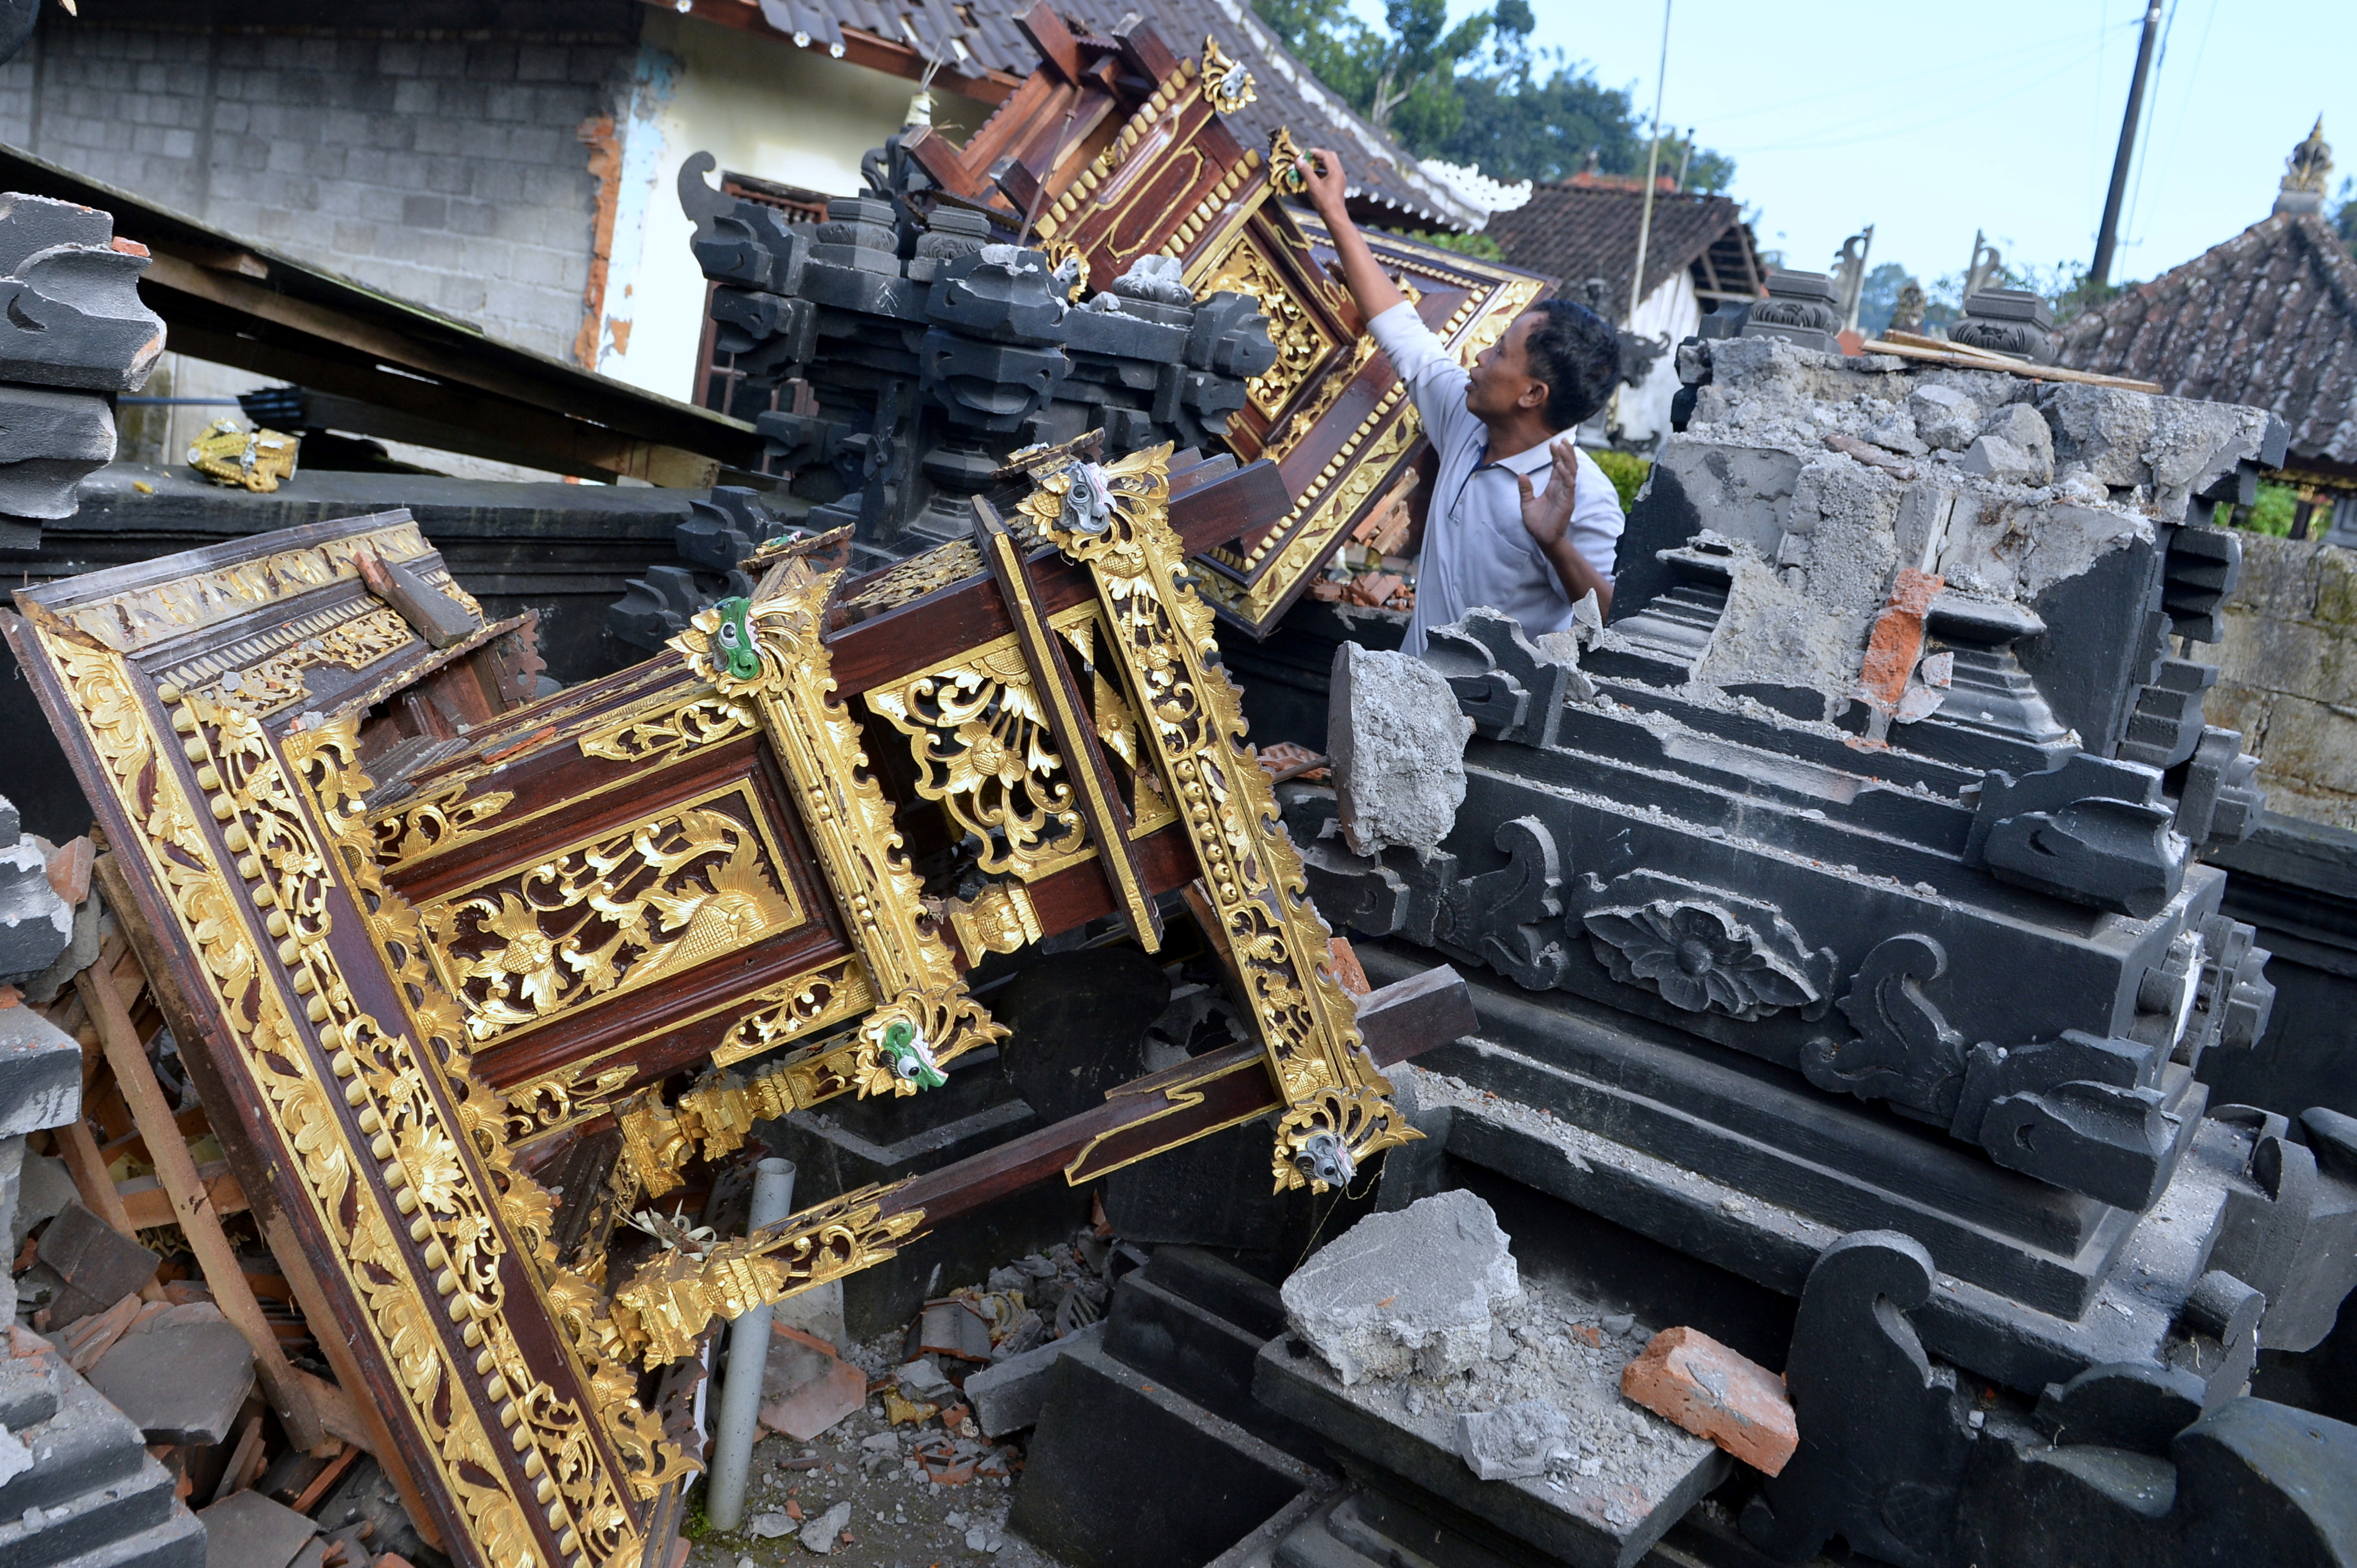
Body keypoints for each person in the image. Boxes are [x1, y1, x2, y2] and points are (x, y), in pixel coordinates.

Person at [1299, 148, 1627, 657]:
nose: (1478, 355)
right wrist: (1335, 214)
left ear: (1531, 394)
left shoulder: (1582, 495)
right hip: (1401, 697)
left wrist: (1554, 545)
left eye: (1499, 352)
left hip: (1486, 728)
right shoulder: (1465, 422)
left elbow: (1612, 621)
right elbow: (1404, 334)